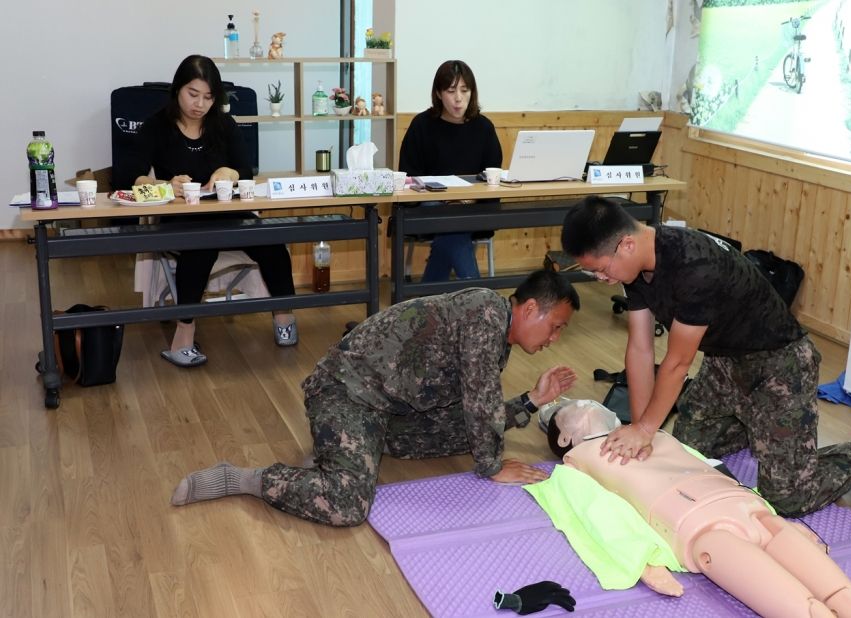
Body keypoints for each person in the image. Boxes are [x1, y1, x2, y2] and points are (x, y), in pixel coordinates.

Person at [170, 270, 580, 526]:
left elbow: (475, 411)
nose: (555, 339)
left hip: (389, 409)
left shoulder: (495, 330)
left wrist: (530, 401)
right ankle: (243, 478)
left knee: (472, 434)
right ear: (529, 309)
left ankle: (344, 456)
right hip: (346, 395)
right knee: (347, 504)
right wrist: (491, 468)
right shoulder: (487, 315)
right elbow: (480, 405)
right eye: (556, 327)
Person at [560, 196, 851, 517]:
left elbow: (678, 363)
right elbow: (640, 350)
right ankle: (755, 426)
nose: (603, 279)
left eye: (600, 270)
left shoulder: (694, 266)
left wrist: (643, 431)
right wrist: (644, 429)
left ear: (626, 244)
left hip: (780, 365)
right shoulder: (636, 267)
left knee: (787, 499)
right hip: (723, 361)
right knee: (687, 454)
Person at [531, 400, 851, 618]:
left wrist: (777, 516)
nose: (586, 402)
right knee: (809, 610)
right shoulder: (575, 463)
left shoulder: (649, 433)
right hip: (701, 528)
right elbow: (594, 515)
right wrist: (641, 561)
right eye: (576, 406)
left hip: (747, 507)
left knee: (847, 598)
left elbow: (708, 464)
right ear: (564, 438)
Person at [113, 55, 298, 368]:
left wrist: (230, 173)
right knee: (201, 247)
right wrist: (165, 186)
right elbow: (128, 177)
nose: (199, 105)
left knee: (272, 241)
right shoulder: (157, 125)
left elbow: (245, 170)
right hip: (181, 215)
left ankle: (284, 316)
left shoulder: (223, 124)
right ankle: (183, 336)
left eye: (208, 97)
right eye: (192, 94)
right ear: (177, 91)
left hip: (224, 210)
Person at [398, 60, 503, 282]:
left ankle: (428, 303)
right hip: (429, 206)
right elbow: (408, 177)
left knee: (452, 225)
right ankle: (478, 300)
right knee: (452, 224)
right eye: (451, 90)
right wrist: (445, 200)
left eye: (465, 91)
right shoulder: (422, 125)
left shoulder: (483, 127)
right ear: (438, 93)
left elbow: (492, 177)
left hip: (474, 207)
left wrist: (466, 201)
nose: (458, 98)